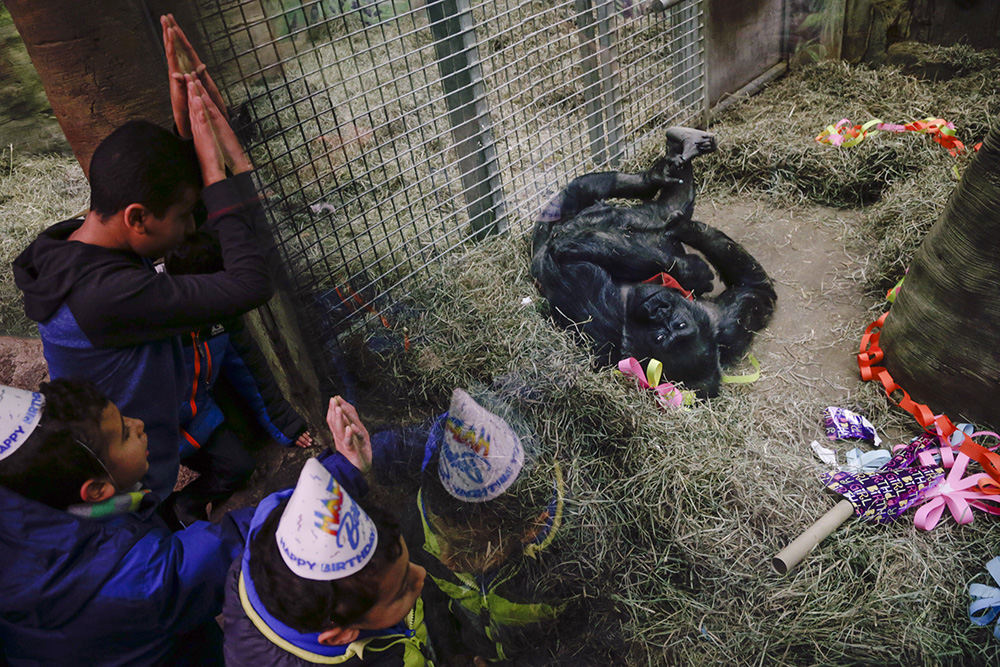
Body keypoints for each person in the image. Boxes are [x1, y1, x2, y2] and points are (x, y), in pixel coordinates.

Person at [12, 15, 274, 505]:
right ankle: (172, 516)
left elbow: (165, 194)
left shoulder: (72, 246)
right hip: (130, 464)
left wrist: (186, 124)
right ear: (137, 218)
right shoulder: (109, 296)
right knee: (139, 523)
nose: (192, 227)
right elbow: (250, 284)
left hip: (156, 419)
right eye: (182, 217)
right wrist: (229, 178)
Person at [0, 378, 253, 665]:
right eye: (123, 433)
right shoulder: (137, 576)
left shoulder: (20, 497)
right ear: (96, 490)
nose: (138, 424)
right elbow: (237, 545)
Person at [331, 389, 573, 666]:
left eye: (469, 549)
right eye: (440, 534)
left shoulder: (570, 565)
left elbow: (576, 643)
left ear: (531, 527)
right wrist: (449, 651)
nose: (446, 560)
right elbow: (431, 596)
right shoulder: (423, 518)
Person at [221, 446, 434, 665]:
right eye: (401, 592)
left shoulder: (276, 547)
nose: (422, 574)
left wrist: (350, 465)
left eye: (408, 566)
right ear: (341, 636)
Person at [165, 231, 313, 524]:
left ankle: (187, 502)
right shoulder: (158, 326)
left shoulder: (220, 315)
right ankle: (168, 517)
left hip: (199, 409)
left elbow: (249, 366)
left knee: (239, 466)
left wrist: (285, 423)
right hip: (159, 429)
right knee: (147, 483)